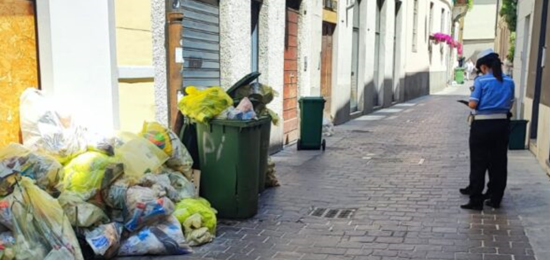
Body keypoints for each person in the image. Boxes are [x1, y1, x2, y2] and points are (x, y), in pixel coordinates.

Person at [460, 49, 514, 211]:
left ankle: (476, 200)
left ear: (484, 67)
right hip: (502, 126)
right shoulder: (510, 81)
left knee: (478, 162)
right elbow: (510, 104)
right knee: (499, 162)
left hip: (482, 126)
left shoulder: (481, 81)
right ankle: (495, 198)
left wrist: (471, 101)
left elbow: (473, 104)